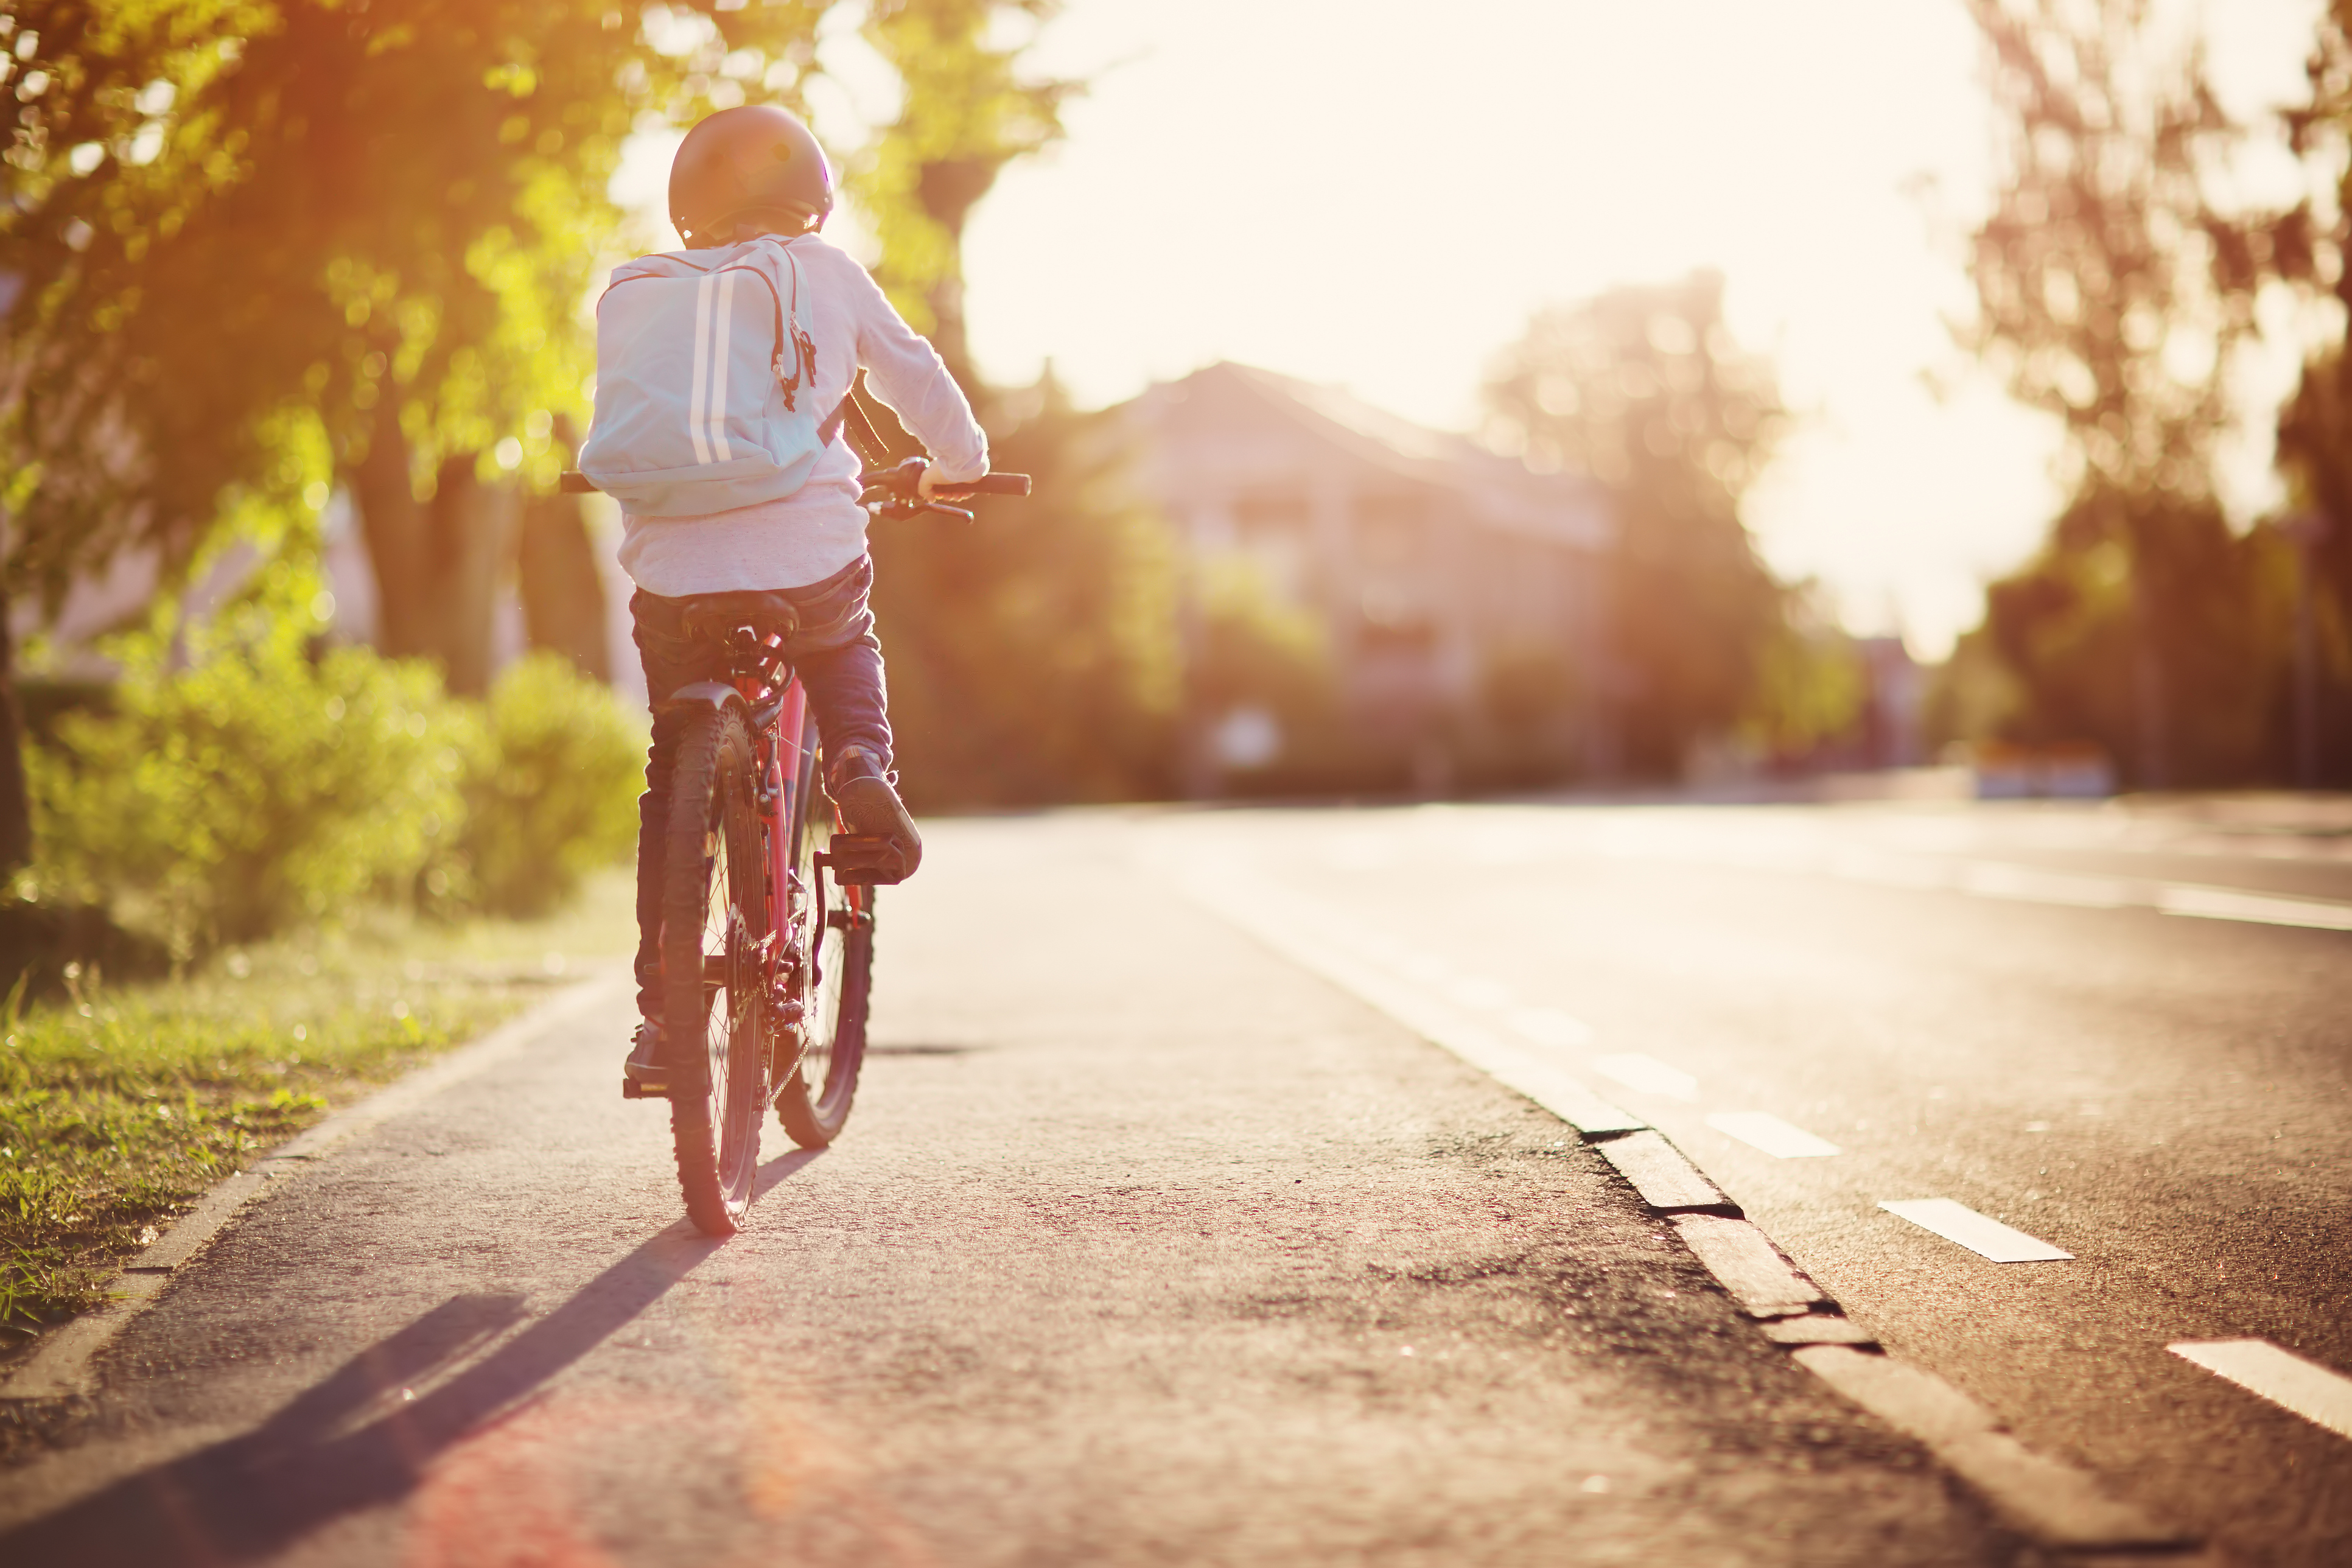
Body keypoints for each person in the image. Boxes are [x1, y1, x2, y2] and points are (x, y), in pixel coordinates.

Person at [615, 105, 987, 1081]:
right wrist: (958, 465)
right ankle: (860, 762)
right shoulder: (826, 272)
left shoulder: (649, 289)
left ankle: (662, 1016)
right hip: (805, 557)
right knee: (840, 632)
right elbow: (915, 373)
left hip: (672, 575)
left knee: (670, 773)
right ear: (812, 197)